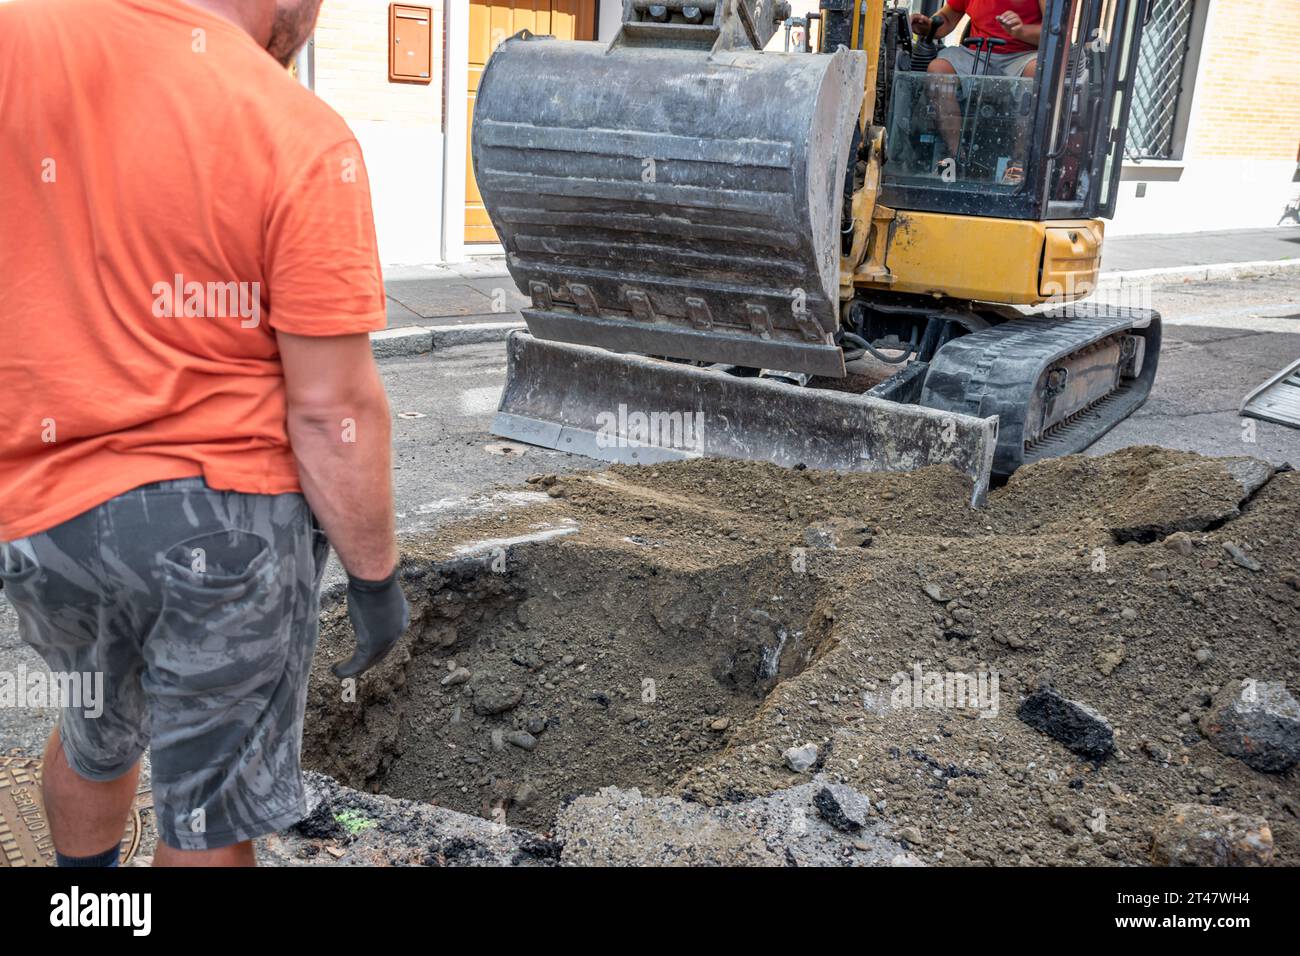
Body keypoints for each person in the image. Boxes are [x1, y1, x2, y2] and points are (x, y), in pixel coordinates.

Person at [0, 0, 408, 867]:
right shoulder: (297, 130)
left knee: (95, 734)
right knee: (211, 810)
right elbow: (332, 409)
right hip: (224, 535)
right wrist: (375, 578)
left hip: (40, 521)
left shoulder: (24, 36)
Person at [911, 0, 1044, 180]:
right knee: (938, 70)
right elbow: (948, 18)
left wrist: (1021, 31)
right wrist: (928, 26)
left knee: (1036, 73)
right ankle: (956, 157)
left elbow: (1055, 32)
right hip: (977, 53)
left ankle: (1019, 164)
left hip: (1024, 55)